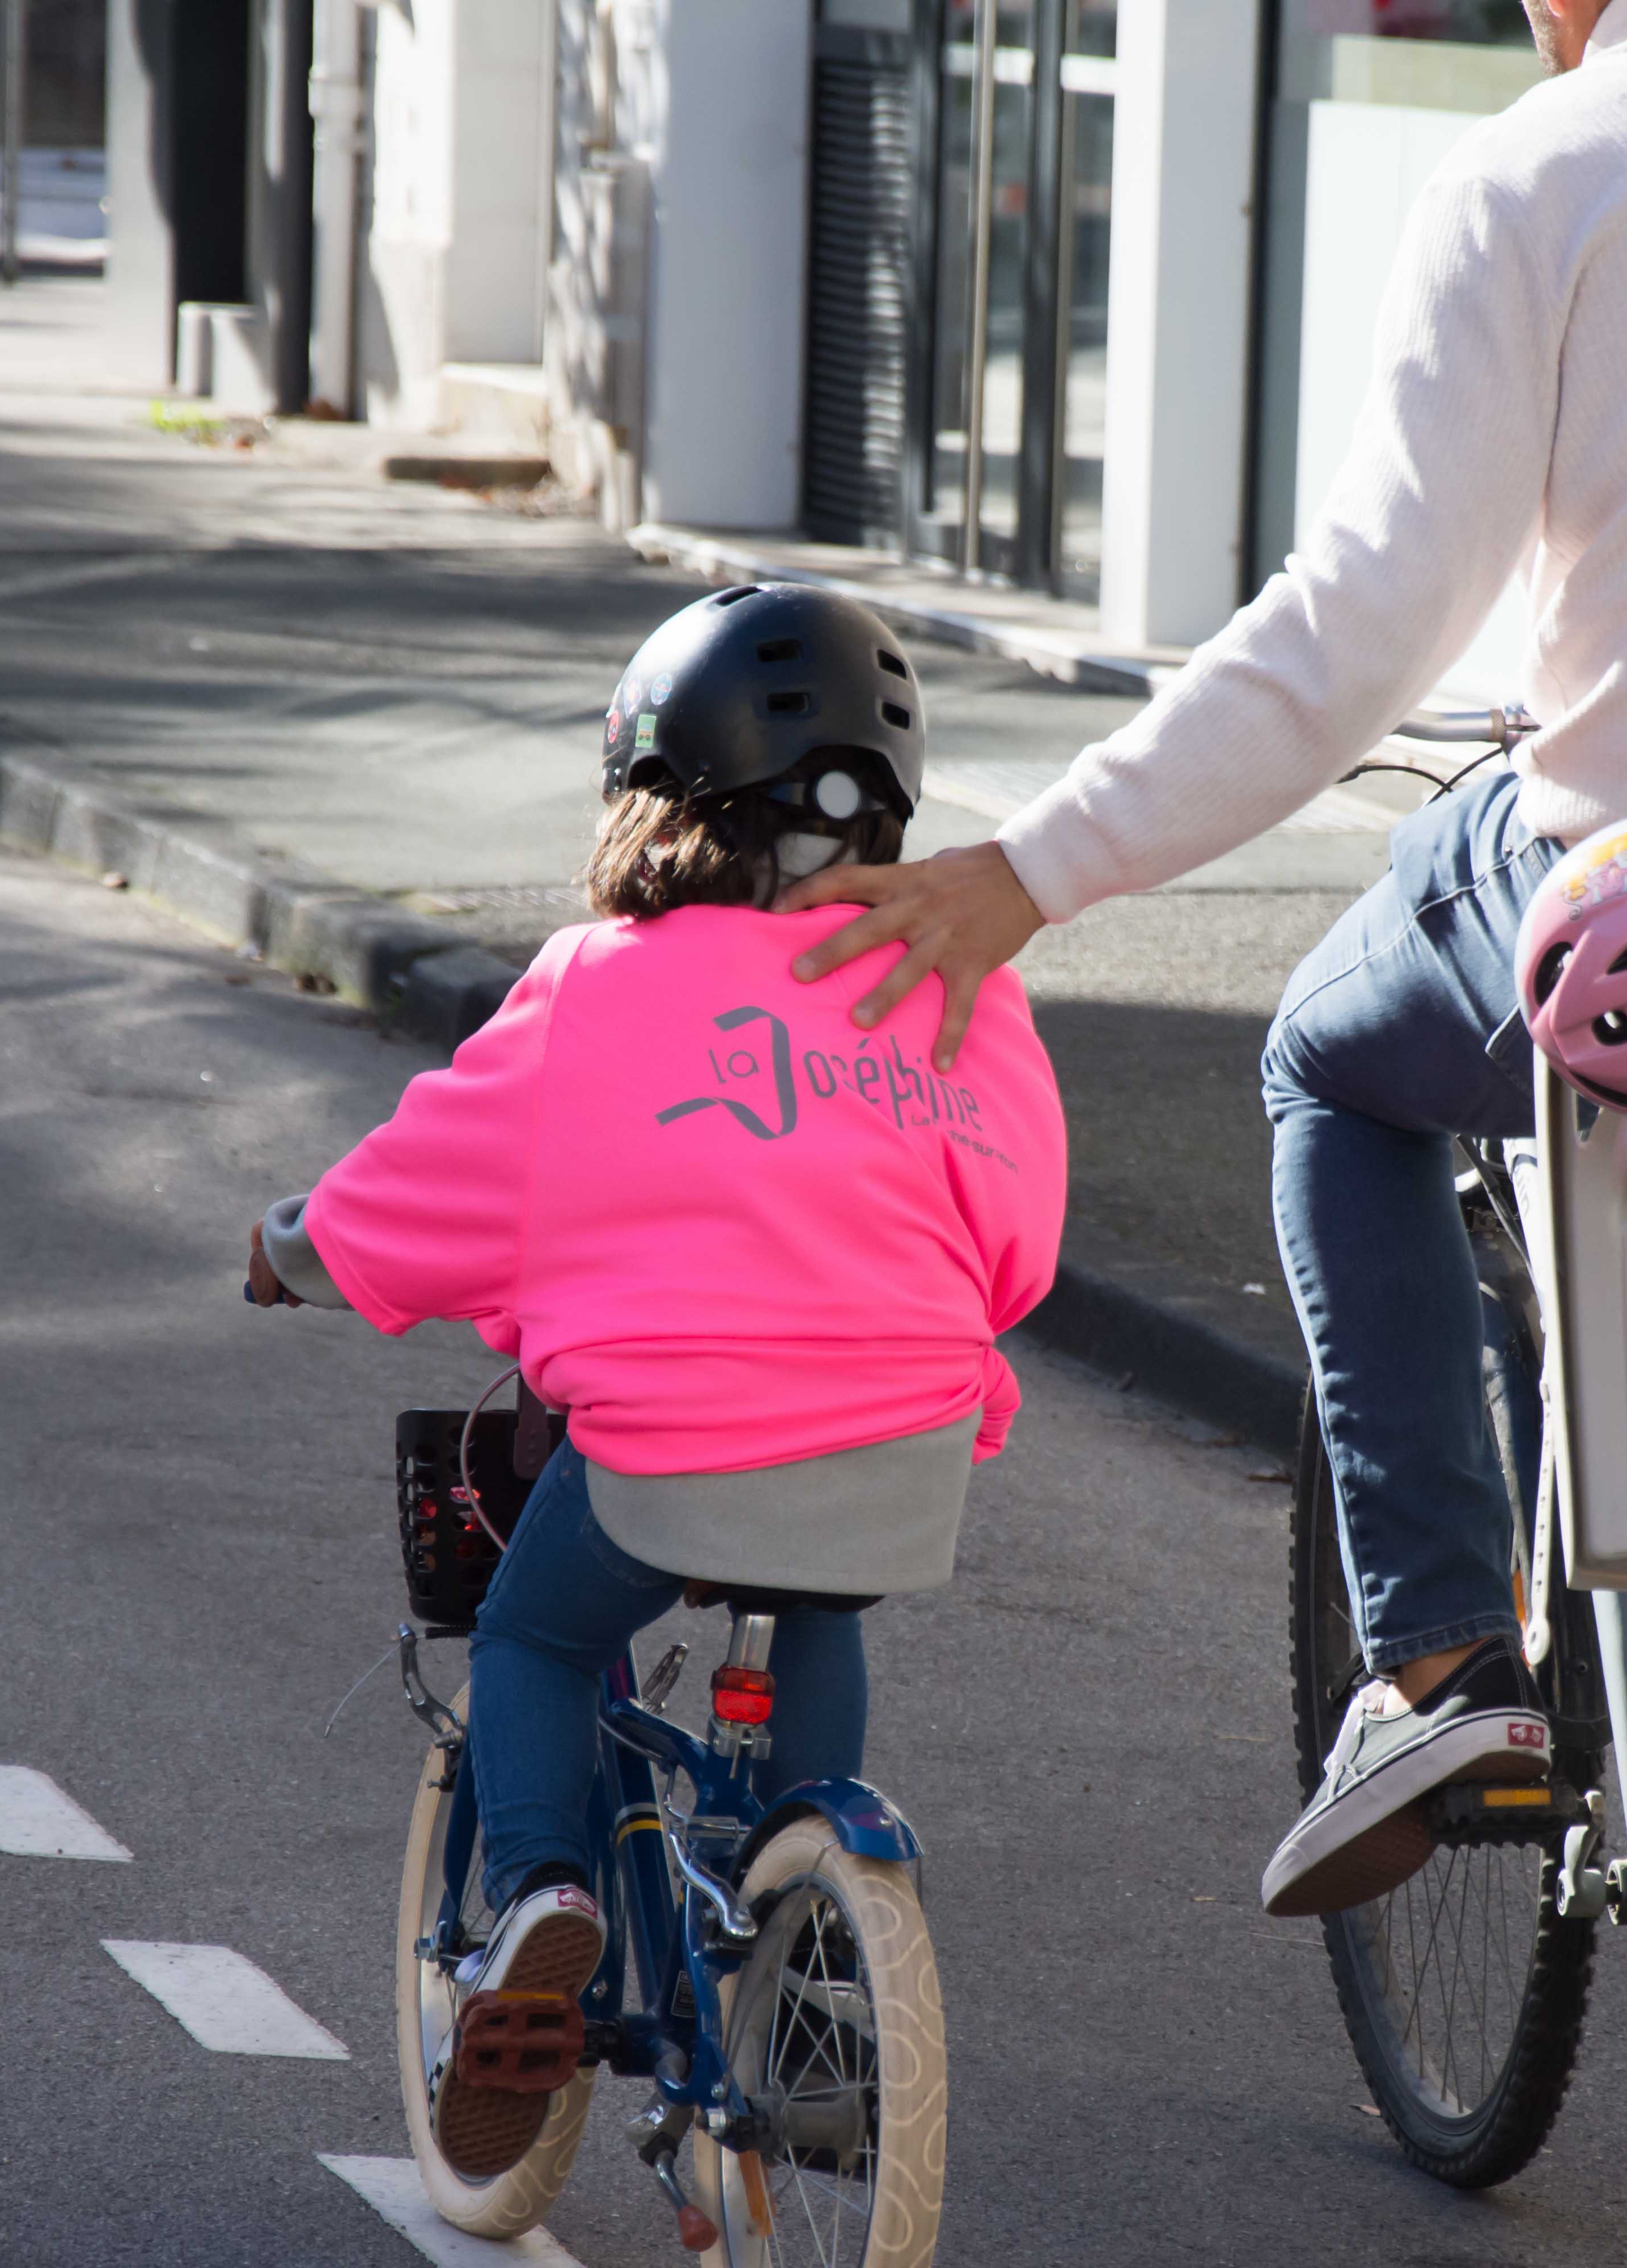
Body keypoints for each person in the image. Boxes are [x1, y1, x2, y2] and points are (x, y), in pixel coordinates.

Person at [773, 0, 1627, 1916]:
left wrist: (1037, 869)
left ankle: (1435, 1667)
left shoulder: (1542, 164)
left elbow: (1359, 629)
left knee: (1326, 1065)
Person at [243, 585, 1067, 2181]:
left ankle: (541, 1901)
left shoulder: (600, 986)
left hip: (667, 1453)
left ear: (656, 797)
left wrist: (291, 1248)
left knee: (538, 1638)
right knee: (811, 1614)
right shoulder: (968, 990)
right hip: (903, 1444)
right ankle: (816, 1943)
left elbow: (423, 1190)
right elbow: (1018, 1246)